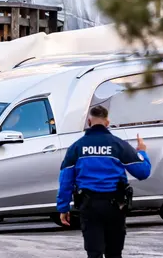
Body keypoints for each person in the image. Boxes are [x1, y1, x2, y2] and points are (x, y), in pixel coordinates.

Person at [57, 105, 151, 258]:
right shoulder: (118, 145)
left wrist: (63, 208)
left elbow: (66, 180)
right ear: (107, 122)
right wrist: (142, 151)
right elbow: (143, 172)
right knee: (114, 253)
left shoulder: (77, 147)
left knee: (94, 253)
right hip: (115, 206)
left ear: (89, 122)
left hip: (89, 206)